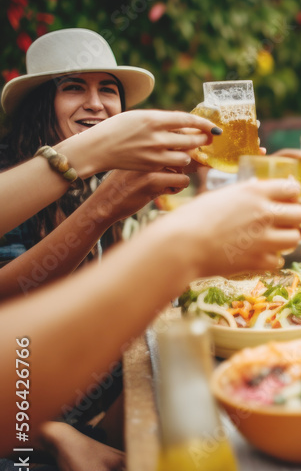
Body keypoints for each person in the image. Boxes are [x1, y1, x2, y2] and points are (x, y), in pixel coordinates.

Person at [0, 178, 301, 471]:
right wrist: (175, 246)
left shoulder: (88, 185)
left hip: (51, 417)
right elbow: (22, 331)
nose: (100, 109)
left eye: (117, 109)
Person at [0, 28, 213, 296]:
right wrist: (104, 206)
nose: (95, 104)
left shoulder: (120, 171)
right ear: (40, 106)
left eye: (107, 89)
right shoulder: (8, 168)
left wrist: (216, 181)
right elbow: (8, 300)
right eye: (74, 87)